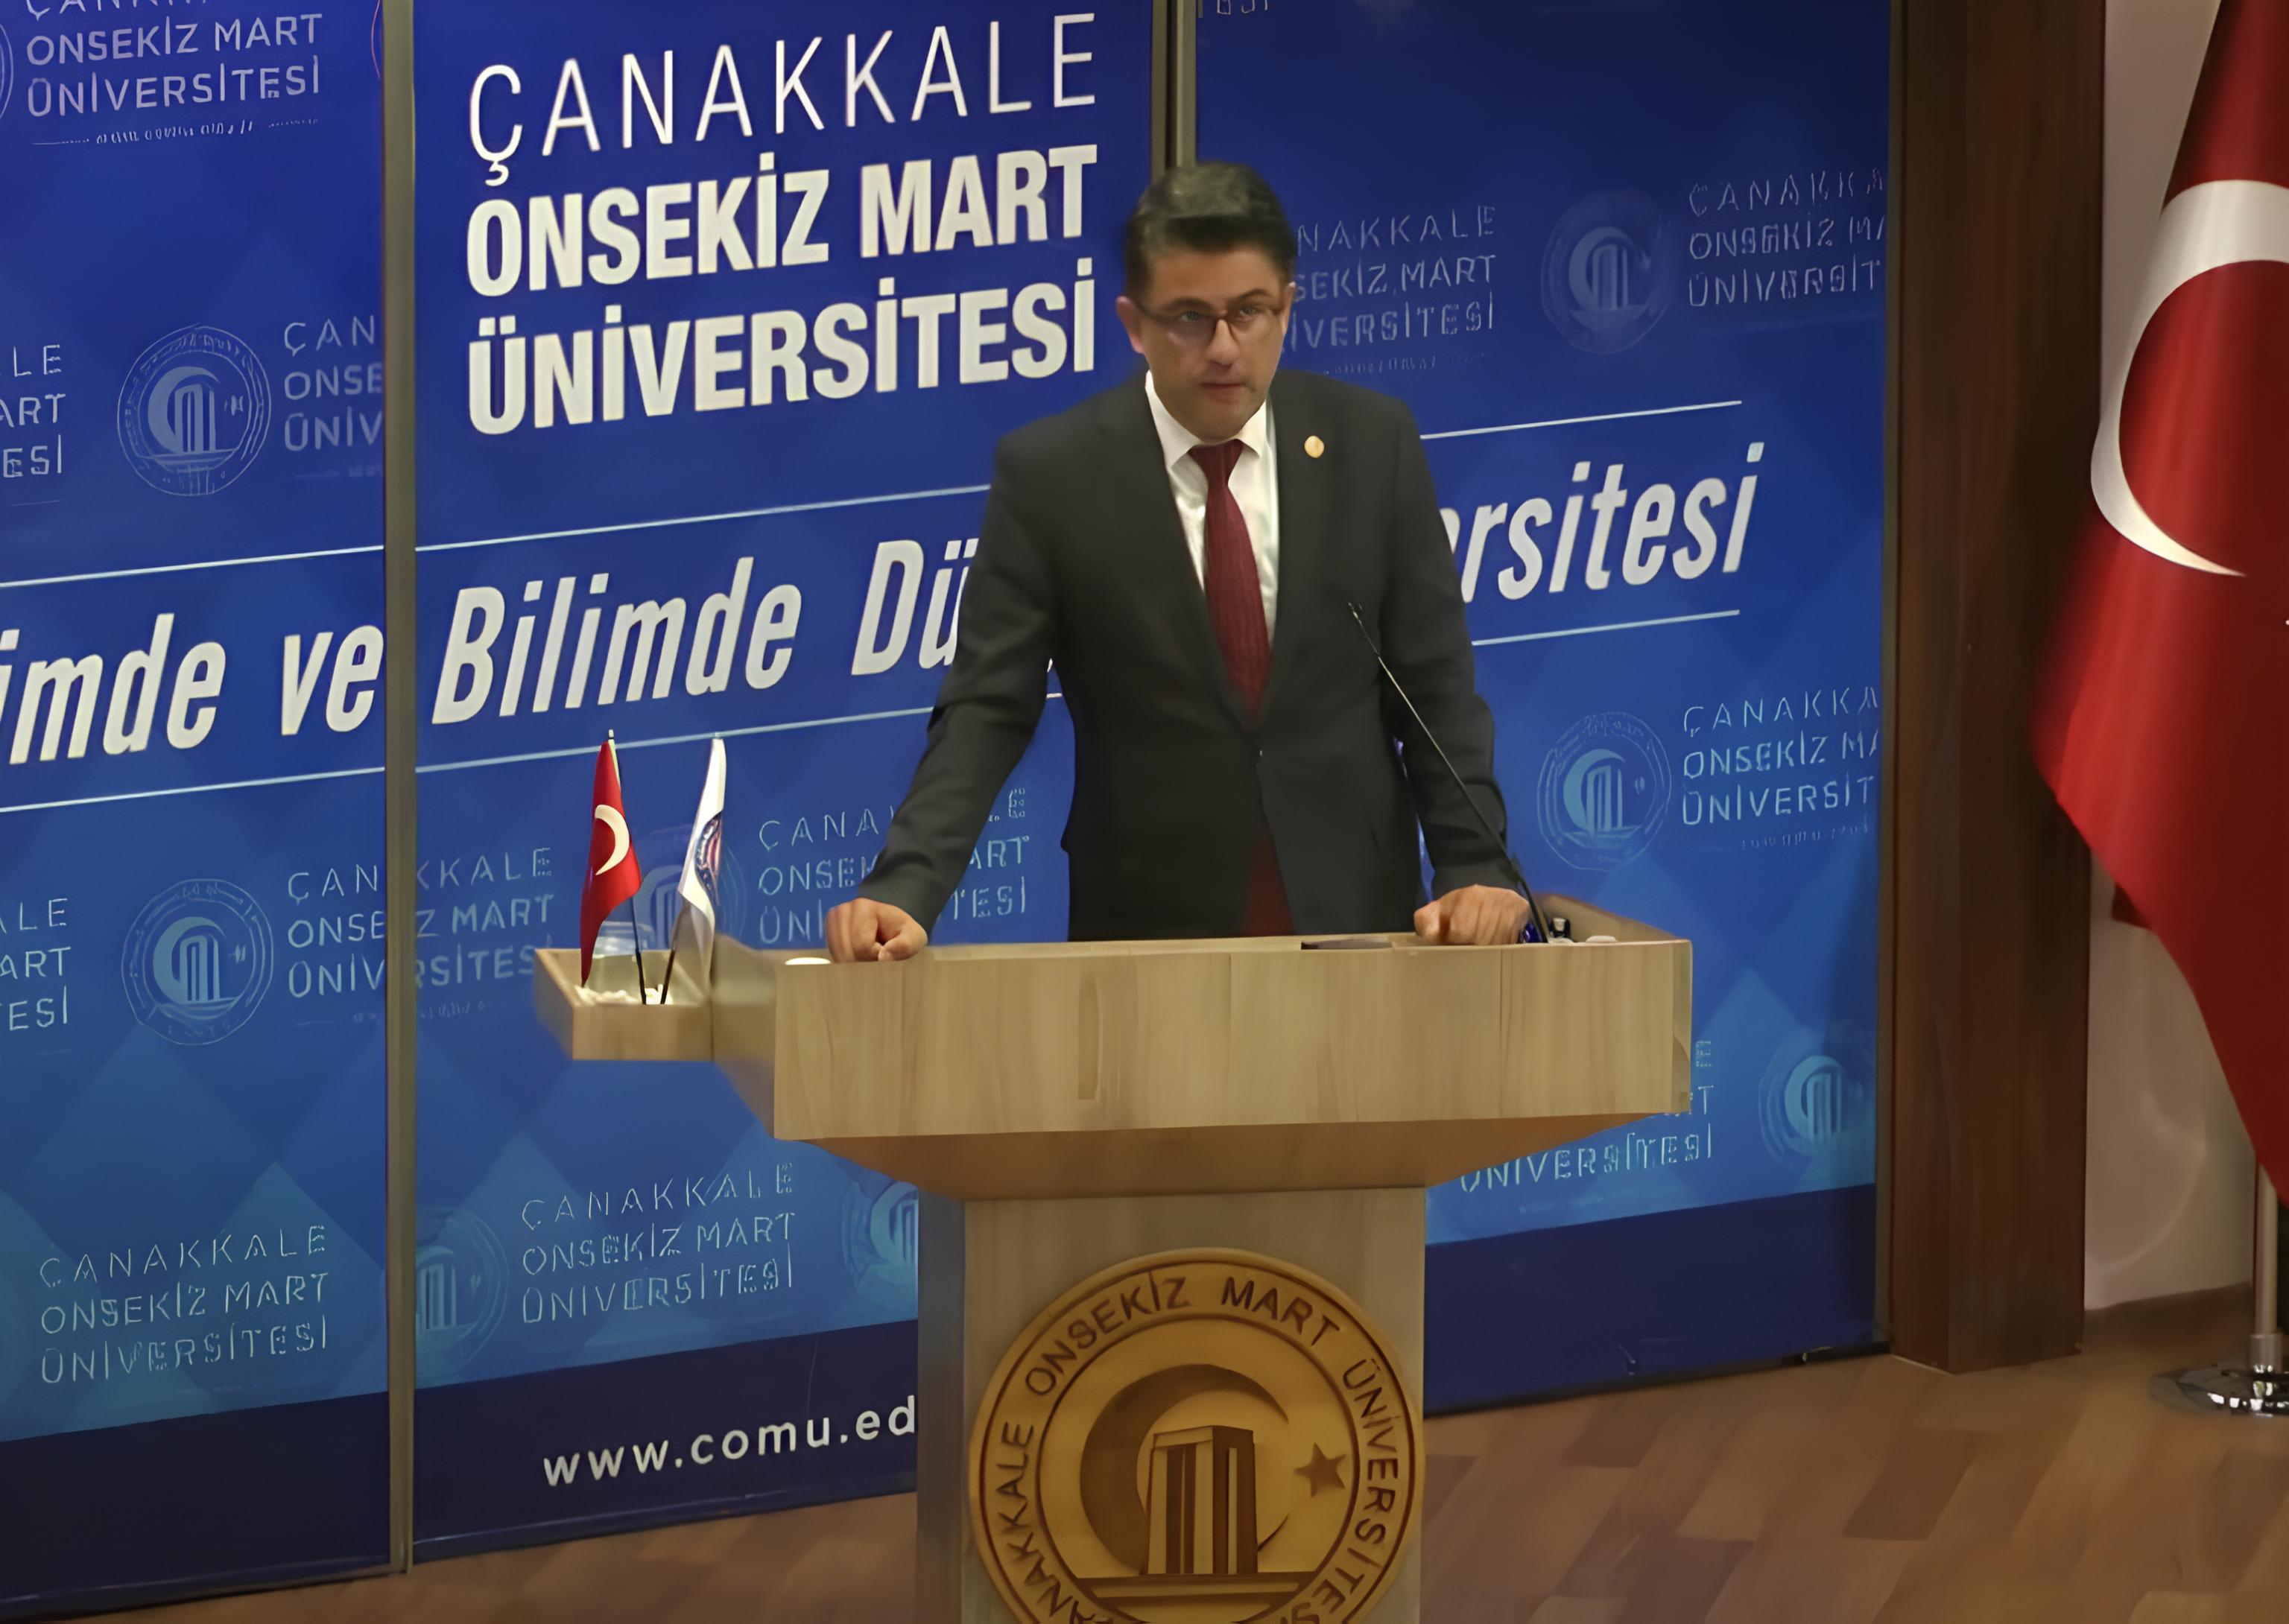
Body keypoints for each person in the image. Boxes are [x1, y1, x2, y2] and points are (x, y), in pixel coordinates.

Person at [824, 162, 1529, 962]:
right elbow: (987, 707)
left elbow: (1436, 690)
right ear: (1135, 323)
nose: (1225, 348)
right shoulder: (1052, 475)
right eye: (1191, 318)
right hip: (1145, 936)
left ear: (1287, 306)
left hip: (1355, 916)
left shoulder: (1372, 444)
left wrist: (1478, 867)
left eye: (1249, 313)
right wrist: (906, 887)